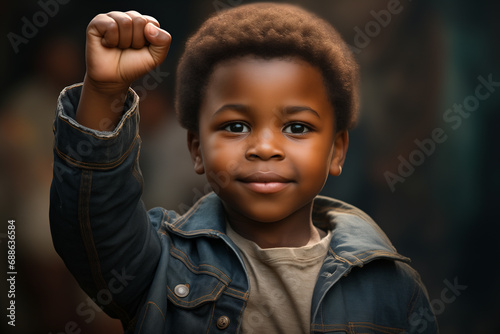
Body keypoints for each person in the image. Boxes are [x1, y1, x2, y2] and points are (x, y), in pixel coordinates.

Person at [50, 3, 438, 333]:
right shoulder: (161, 262)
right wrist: (103, 93)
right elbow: (94, 225)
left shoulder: (392, 288)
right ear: (197, 149)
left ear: (336, 151)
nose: (265, 148)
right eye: (236, 126)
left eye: (296, 127)